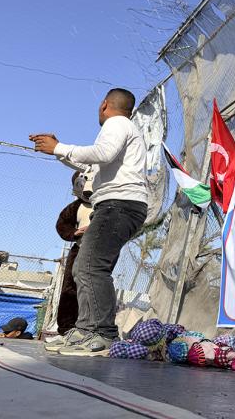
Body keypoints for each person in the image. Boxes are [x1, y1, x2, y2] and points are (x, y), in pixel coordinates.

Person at [30, 88, 148, 356]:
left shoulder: (117, 123)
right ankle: (85, 330)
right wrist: (58, 151)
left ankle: (103, 334)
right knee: (84, 268)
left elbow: (102, 153)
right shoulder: (125, 130)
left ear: (105, 104)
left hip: (118, 205)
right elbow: (92, 166)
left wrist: (60, 147)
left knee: (91, 268)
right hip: (118, 206)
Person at [53, 169, 95, 336]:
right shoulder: (75, 207)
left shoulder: (106, 205)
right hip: (79, 249)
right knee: (70, 287)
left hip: (99, 251)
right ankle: (67, 328)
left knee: (93, 288)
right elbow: (62, 224)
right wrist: (75, 233)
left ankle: (91, 326)